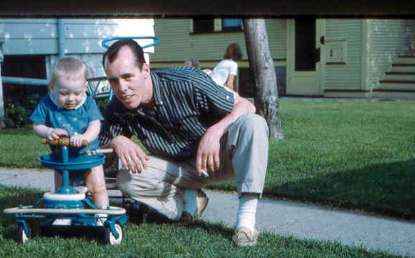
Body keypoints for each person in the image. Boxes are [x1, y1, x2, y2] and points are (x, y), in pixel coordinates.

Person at [100, 39, 269, 247]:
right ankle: (188, 200)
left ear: (145, 70)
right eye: (113, 81)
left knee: (254, 123)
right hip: (178, 169)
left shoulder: (187, 81)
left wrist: (215, 132)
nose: (122, 88)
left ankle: (246, 223)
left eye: (127, 77)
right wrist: (116, 141)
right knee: (126, 178)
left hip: (220, 157)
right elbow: (101, 154)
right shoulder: (117, 107)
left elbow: (246, 106)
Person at [31, 57, 109, 208]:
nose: (71, 98)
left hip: (88, 155)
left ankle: (102, 215)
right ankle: (64, 213)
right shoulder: (47, 104)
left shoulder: (88, 103)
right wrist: (48, 131)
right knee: (61, 190)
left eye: (77, 93)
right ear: (52, 88)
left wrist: (85, 137)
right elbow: (37, 125)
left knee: (98, 188)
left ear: (85, 87)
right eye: (64, 93)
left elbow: (95, 124)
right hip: (61, 157)